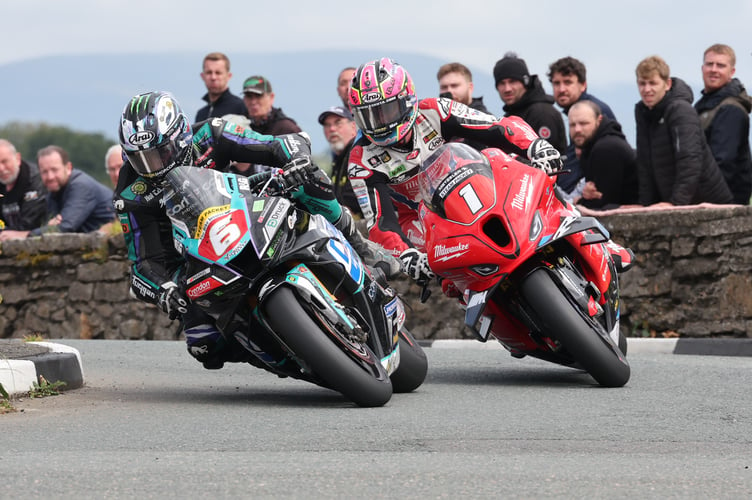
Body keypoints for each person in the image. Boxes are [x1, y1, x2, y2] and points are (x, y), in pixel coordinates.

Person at [115, 91, 399, 369]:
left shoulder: (210, 133)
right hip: (190, 255)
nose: (153, 167)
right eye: (140, 159)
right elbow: (144, 263)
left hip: (240, 203)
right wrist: (164, 290)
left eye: (158, 154)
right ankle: (277, 353)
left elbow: (275, 144)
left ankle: (359, 246)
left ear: (181, 136)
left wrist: (296, 159)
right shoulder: (130, 193)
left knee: (308, 179)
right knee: (205, 346)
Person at [347, 57, 572, 286]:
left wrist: (536, 146)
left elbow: (496, 126)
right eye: (370, 115)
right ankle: (480, 302)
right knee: (444, 276)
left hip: (469, 182)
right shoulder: (360, 161)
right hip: (421, 217)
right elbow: (380, 223)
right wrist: (406, 256)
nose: (380, 123)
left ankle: (573, 226)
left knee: (509, 161)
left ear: (406, 100)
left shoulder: (435, 110)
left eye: (386, 110)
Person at [634, 56, 733, 207]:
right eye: (642, 83)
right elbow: (644, 163)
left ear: (667, 84)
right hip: (675, 199)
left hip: (707, 201)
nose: (647, 89)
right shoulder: (642, 112)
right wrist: (644, 205)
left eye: (653, 83)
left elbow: (690, 160)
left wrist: (676, 203)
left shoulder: (680, 110)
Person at [1, 145, 115, 240]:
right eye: (44, 172)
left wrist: (24, 235)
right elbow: (50, 226)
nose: (50, 177)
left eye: (55, 170)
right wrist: (50, 226)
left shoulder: (80, 185)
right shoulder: (54, 190)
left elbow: (65, 227)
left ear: (68, 168)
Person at [547, 56, 618, 194]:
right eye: (556, 83)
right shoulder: (577, 111)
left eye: (568, 82)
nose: (561, 89)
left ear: (583, 85)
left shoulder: (594, 111)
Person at [694, 44, 752, 205]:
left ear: (731, 72)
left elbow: (723, 162)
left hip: (723, 200)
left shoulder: (731, 109)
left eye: (720, 65)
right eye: (709, 64)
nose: (714, 69)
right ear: (702, 68)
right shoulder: (704, 105)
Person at [567, 100, 638, 210]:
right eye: (572, 125)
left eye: (583, 123)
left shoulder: (606, 148)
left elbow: (603, 202)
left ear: (599, 121)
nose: (577, 130)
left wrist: (579, 201)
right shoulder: (593, 147)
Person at [493, 52, 566, 155]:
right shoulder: (510, 117)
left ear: (525, 82)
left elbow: (547, 160)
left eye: (513, 81)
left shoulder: (542, 114)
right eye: (502, 83)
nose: (507, 89)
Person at [319, 105, 361, 215]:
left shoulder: (359, 152)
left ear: (353, 127)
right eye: (327, 125)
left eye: (338, 123)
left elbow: (352, 201)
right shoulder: (338, 158)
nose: (332, 129)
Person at [0, 139, 47, 233]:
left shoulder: (35, 180)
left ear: (17, 159)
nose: (1, 168)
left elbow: (29, 224)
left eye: (5, 162)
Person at [195, 52, 248, 123]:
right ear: (202, 76)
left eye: (218, 73)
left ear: (229, 76)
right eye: (209, 72)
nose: (213, 77)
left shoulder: (241, 108)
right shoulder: (201, 114)